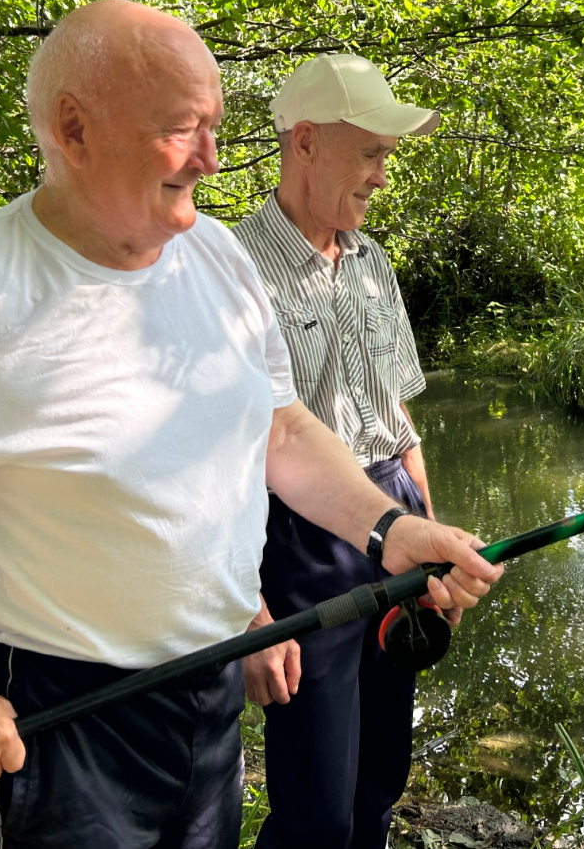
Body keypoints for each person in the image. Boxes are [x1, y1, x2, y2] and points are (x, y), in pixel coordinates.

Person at [0, 0, 503, 849]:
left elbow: (282, 430)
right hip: (59, 716)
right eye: (183, 128)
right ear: (73, 129)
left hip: (207, 696)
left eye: (216, 127)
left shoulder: (218, 257)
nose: (211, 158)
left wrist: (390, 528)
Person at [230, 53, 442, 849]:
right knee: (314, 794)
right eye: (372, 153)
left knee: (381, 770)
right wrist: (248, 610)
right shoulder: (235, 269)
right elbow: (218, 461)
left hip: (393, 515)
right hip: (295, 534)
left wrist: (429, 537)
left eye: (386, 156)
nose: (383, 177)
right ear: (307, 142)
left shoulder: (371, 261)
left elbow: (399, 416)